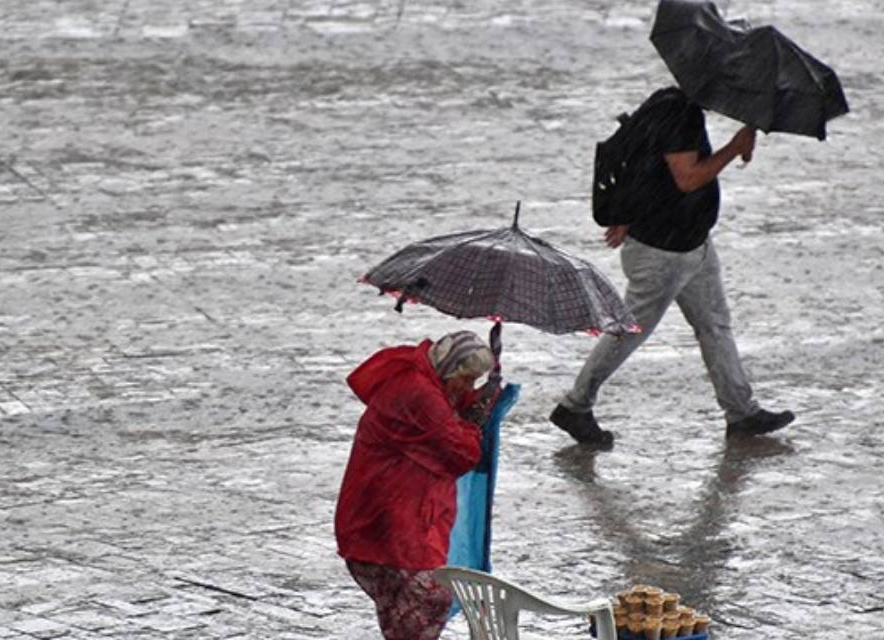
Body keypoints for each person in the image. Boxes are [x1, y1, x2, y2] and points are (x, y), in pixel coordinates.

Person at [550, 86, 794, 446]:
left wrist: (628, 214)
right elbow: (687, 177)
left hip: (692, 245)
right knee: (630, 330)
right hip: (663, 253)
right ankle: (575, 405)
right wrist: (734, 147)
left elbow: (641, 162)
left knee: (715, 326)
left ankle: (741, 412)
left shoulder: (664, 101)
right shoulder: (683, 115)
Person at [335, 330, 495, 640]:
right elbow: (461, 452)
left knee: (403, 612)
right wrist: (475, 422)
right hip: (389, 523)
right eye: (467, 379)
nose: (469, 387)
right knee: (430, 598)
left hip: (391, 518)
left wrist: (478, 398)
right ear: (450, 370)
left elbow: (451, 411)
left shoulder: (423, 381)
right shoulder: (419, 393)